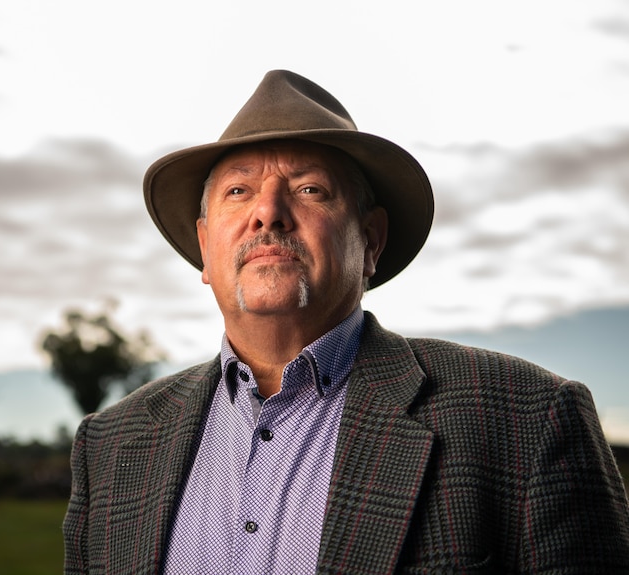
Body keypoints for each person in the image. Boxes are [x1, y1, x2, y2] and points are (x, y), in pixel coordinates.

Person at [63, 70, 629, 574]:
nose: (268, 212)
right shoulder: (111, 445)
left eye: (310, 189)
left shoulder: (527, 418)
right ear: (205, 248)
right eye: (239, 191)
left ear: (372, 242)